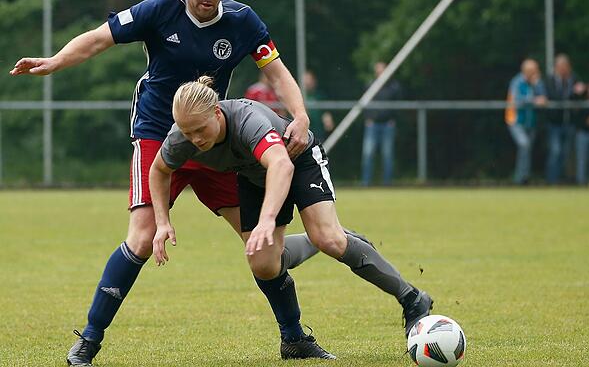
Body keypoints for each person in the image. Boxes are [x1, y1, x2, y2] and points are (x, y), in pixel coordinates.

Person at [9, 0, 327, 364]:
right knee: (141, 238)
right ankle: (88, 340)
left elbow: (275, 71)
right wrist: (55, 61)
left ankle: (294, 337)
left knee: (260, 246)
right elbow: (98, 40)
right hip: (159, 136)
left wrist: (300, 114)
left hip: (215, 142)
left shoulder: (243, 20)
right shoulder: (160, 9)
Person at [150, 78, 434, 350]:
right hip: (255, 179)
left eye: (200, 129)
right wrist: (162, 222)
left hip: (299, 162)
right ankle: (322, 246)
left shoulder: (247, 121)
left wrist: (267, 219)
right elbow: (159, 170)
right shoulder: (182, 137)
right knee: (264, 263)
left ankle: (412, 298)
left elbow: (281, 166)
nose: (195, 139)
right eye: (187, 132)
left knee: (329, 240)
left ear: (216, 112)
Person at [505, 58, 547, 185]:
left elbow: (543, 98)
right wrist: (534, 100)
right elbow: (517, 100)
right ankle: (520, 178)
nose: (535, 73)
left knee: (527, 149)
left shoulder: (537, 82)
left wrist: (536, 88)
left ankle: (524, 177)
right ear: (525, 71)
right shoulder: (517, 82)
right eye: (533, 71)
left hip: (531, 122)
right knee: (524, 145)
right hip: (516, 121)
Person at [361, 61, 402, 186]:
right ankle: (365, 183)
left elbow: (398, 105)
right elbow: (364, 104)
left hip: (387, 125)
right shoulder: (370, 85)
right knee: (368, 154)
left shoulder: (394, 87)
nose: (380, 72)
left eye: (382, 69)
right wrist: (368, 119)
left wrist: (393, 120)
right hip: (372, 125)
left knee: (387, 155)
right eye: (378, 70)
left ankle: (387, 183)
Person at [544, 54, 583, 184]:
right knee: (555, 151)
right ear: (556, 67)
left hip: (569, 123)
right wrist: (572, 93)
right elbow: (554, 96)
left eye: (565, 67)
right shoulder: (550, 80)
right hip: (554, 123)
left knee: (566, 153)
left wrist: (581, 91)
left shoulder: (574, 79)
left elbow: (581, 96)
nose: (563, 69)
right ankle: (551, 181)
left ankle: (563, 180)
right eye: (560, 67)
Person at [303, 70, 334, 142]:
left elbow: (326, 113)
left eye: (309, 79)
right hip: (305, 133)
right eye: (305, 80)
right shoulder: (299, 95)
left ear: (314, 81)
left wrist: (328, 119)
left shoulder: (320, 95)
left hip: (318, 132)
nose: (307, 82)